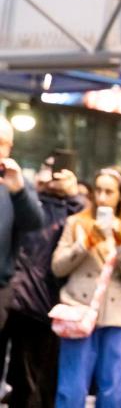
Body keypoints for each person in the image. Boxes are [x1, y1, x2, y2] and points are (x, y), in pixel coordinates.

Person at [51, 166, 121, 408]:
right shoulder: (76, 223)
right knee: (72, 386)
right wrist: (83, 245)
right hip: (78, 312)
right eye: (99, 191)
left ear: (120, 196)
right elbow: (57, 268)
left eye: (109, 192)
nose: (102, 197)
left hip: (116, 317)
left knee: (113, 387)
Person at [6, 161, 85, 408]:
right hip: (14, 297)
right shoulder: (25, 197)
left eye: (59, 169)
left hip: (47, 304)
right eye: (48, 168)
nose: (53, 175)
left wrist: (73, 195)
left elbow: (88, 225)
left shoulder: (73, 208)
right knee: (20, 378)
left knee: (41, 380)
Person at [0, 116, 44, 329]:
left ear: (10, 148)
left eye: (2, 142)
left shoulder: (16, 183)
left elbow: (34, 223)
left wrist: (18, 192)